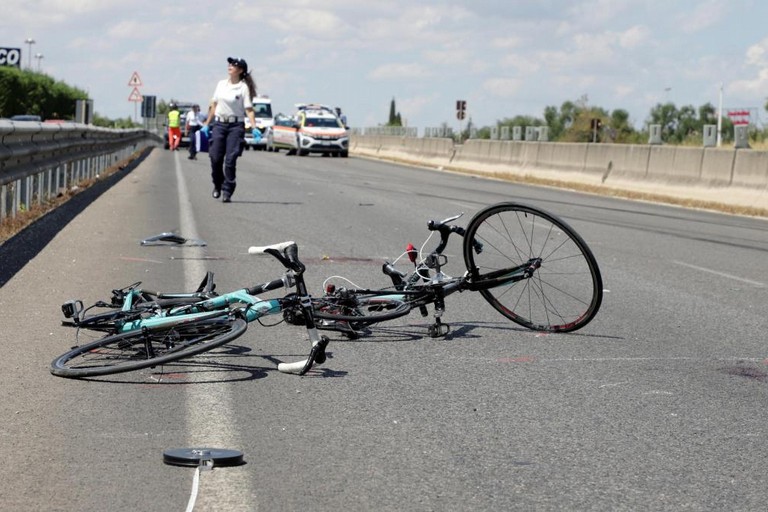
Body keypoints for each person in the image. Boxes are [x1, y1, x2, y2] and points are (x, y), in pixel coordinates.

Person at [200, 57, 261, 203]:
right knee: (215, 157)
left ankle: (227, 190)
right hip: (219, 125)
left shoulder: (243, 87)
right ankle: (218, 184)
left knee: (230, 160)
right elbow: (214, 105)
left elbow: (249, 109)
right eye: (230, 63)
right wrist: (207, 124)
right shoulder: (221, 84)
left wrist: (254, 127)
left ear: (240, 70)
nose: (230, 66)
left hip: (235, 126)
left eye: (234, 65)